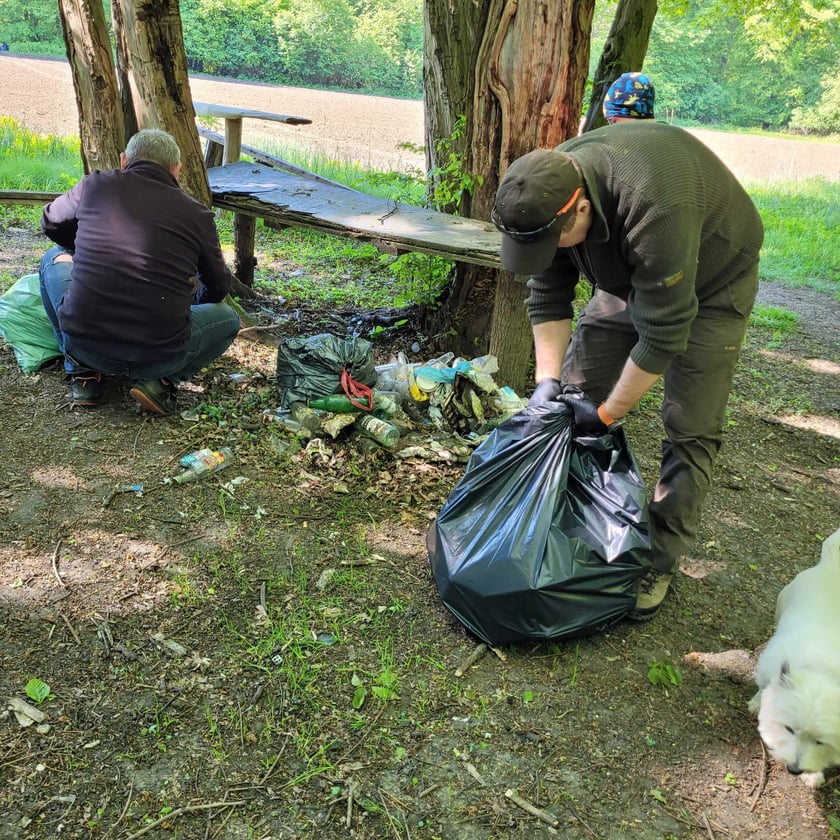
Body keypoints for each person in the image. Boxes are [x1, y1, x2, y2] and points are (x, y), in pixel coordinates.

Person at [491, 122, 764, 619]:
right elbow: (548, 294)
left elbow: (663, 333)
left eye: (554, 241)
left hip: (712, 281)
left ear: (580, 208)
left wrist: (610, 413)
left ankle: (658, 558)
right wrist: (548, 381)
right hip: (628, 274)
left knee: (690, 426)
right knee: (574, 395)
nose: (550, 251)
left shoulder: (655, 206)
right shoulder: (546, 192)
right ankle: (567, 521)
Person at [39, 128, 240, 415]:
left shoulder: (95, 185)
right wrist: (191, 301)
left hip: (85, 345)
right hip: (160, 355)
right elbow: (219, 286)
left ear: (124, 160)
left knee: (52, 258)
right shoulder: (197, 214)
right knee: (229, 318)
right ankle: (161, 382)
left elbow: (49, 223)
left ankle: (83, 374)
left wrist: (79, 249)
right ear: (176, 169)